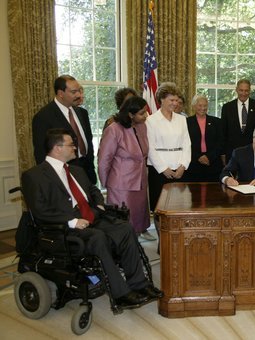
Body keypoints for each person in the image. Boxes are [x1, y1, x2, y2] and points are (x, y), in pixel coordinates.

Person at [22, 128, 162, 307]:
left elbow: (93, 190)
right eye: (71, 145)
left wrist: (99, 203)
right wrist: (71, 221)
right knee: (98, 237)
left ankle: (140, 285)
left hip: (91, 217)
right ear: (57, 148)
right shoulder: (34, 176)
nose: (75, 148)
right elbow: (40, 210)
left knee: (125, 228)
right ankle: (121, 294)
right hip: (65, 227)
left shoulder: (76, 170)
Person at [98, 96, 154, 241]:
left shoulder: (142, 126)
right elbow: (104, 159)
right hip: (121, 184)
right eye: (142, 113)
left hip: (140, 181)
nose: (146, 115)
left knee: (137, 218)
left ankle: (133, 248)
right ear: (130, 114)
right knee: (123, 222)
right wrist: (106, 184)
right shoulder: (114, 129)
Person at [32, 75, 97, 184]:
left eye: (79, 91)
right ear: (61, 93)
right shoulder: (44, 116)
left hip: (87, 172)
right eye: (74, 92)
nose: (79, 95)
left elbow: (88, 142)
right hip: (62, 175)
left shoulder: (82, 113)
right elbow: (40, 152)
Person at [146, 82, 191, 212]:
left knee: (180, 205)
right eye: (171, 100)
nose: (175, 103)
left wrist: (183, 166)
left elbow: (187, 144)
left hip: (180, 170)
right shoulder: (150, 120)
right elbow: (150, 147)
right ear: (161, 100)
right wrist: (163, 169)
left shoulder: (182, 120)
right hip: (159, 171)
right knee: (160, 207)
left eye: (177, 100)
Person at [220, 79, 255, 164]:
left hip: (254, 151)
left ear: (250, 91)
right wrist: (223, 153)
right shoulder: (227, 108)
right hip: (232, 152)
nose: (243, 93)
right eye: (241, 90)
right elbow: (223, 132)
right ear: (236, 90)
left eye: (246, 91)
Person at [184, 94, 224, 182]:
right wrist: (198, 157)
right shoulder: (186, 122)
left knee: (213, 193)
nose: (203, 108)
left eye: (205, 105)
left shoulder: (217, 122)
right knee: (195, 193)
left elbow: (221, 142)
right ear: (194, 106)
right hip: (194, 164)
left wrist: (209, 157)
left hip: (213, 163)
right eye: (200, 105)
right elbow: (185, 143)